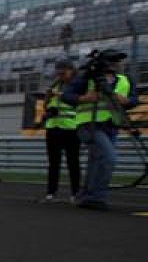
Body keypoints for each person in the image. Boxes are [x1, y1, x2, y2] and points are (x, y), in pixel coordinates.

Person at [62, 49, 137, 210]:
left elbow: (134, 100)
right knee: (108, 158)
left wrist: (127, 101)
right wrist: (84, 98)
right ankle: (96, 197)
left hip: (111, 126)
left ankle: (85, 195)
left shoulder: (125, 79)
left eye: (118, 61)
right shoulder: (87, 78)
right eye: (113, 60)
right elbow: (66, 96)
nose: (116, 64)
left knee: (96, 161)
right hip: (89, 125)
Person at [41, 59, 81, 202]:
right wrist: (48, 98)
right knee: (53, 162)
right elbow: (46, 105)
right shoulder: (55, 84)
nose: (61, 75)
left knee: (73, 162)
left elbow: (79, 101)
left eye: (63, 73)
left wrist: (60, 96)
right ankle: (51, 193)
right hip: (53, 127)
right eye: (58, 73)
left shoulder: (77, 84)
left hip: (71, 127)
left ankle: (75, 193)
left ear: (71, 70)